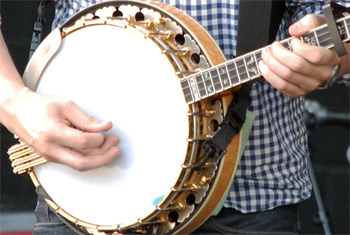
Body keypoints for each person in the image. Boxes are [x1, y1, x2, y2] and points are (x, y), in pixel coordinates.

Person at [0, 0, 349, 234]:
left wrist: (329, 59)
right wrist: (13, 102)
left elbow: (339, 21)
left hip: (248, 201)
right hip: (80, 193)